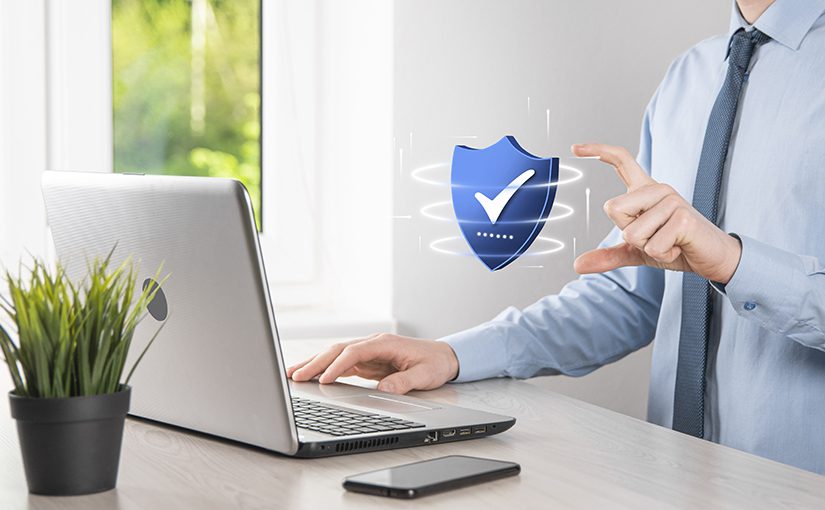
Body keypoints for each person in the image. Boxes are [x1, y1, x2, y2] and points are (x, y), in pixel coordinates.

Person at [289, 0, 825, 474]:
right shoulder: (689, 77)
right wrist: (452, 355)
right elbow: (638, 299)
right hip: (674, 480)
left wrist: (732, 262)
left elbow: (718, 266)